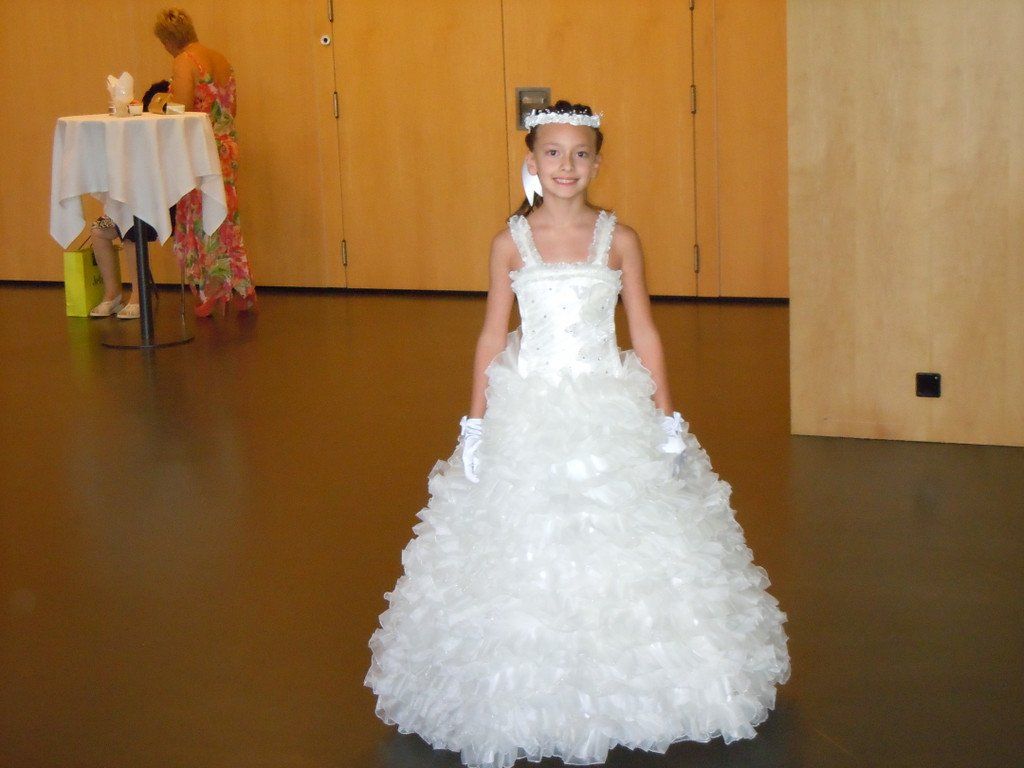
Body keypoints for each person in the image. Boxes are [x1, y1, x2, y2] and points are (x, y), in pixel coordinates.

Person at [364, 101, 791, 768]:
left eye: (581, 153)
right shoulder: (511, 242)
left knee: (628, 533)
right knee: (526, 543)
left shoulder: (619, 239)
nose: (567, 165)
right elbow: (492, 334)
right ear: (532, 162)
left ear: (596, 162)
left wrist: (667, 417)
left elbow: (643, 330)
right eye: (554, 153)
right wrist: (474, 423)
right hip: (530, 407)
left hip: (606, 402)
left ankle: (635, 677)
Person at [154, 8, 257, 317]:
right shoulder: (221, 59)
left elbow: (181, 111)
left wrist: (160, 105)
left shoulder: (184, 61)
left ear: (168, 40)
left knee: (199, 218)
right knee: (225, 216)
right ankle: (240, 288)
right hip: (226, 147)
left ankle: (210, 290)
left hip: (200, 151)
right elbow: (231, 109)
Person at [88, 81, 175, 320]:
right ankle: (112, 293)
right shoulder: (131, 142)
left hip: (163, 207)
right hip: (133, 207)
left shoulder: (168, 141)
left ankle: (138, 295)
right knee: (98, 230)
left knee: (131, 232)